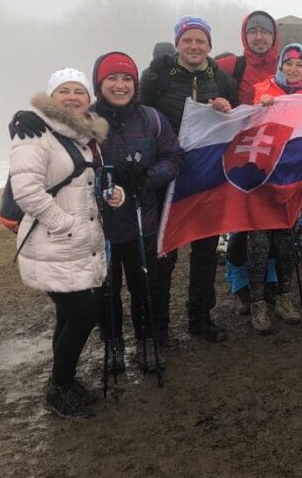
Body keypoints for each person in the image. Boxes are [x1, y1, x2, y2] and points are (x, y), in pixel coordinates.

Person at [9, 68, 125, 418]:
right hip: (54, 243)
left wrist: (112, 195)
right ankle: (60, 387)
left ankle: (63, 381)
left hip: (74, 244)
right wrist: (65, 224)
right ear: (51, 96)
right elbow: (26, 191)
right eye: (64, 91)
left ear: (89, 99)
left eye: (80, 91)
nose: (73, 97)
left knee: (69, 314)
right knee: (83, 315)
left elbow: (84, 187)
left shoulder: (82, 136)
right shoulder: (34, 132)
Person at [140, 16, 239, 343]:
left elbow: (236, 119)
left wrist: (226, 108)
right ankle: (159, 325)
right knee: (163, 253)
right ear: (178, 43)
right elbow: (135, 116)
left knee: (206, 250)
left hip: (205, 176)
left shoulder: (221, 79)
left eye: (201, 41)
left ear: (209, 46)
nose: (194, 46)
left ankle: (200, 317)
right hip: (165, 175)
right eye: (188, 41)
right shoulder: (158, 78)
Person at [91, 52, 183, 371]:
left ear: (136, 83)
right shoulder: (85, 121)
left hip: (144, 221)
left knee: (143, 286)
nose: (120, 85)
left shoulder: (152, 118)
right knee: (106, 289)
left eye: (126, 79)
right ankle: (113, 343)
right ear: (99, 84)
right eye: (112, 79)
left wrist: (149, 176)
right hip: (100, 227)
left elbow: (174, 157)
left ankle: (146, 341)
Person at [240, 43, 302, 334]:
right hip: (261, 177)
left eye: (300, 65)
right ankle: (258, 300)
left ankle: (284, 296)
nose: (293, 69)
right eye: (288, 63)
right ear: (280, 66)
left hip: (292, 179)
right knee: (258, 242)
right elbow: (248, 125)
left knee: (286, 241)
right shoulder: (263, 91)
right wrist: (259, 110)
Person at [216, 10, 302, 105]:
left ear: (274, 36)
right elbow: (201, 67)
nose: (259, 37)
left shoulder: (291, 65)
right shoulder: (233, 65)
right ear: (244, 36)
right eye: (252, 32)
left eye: (265, 32)